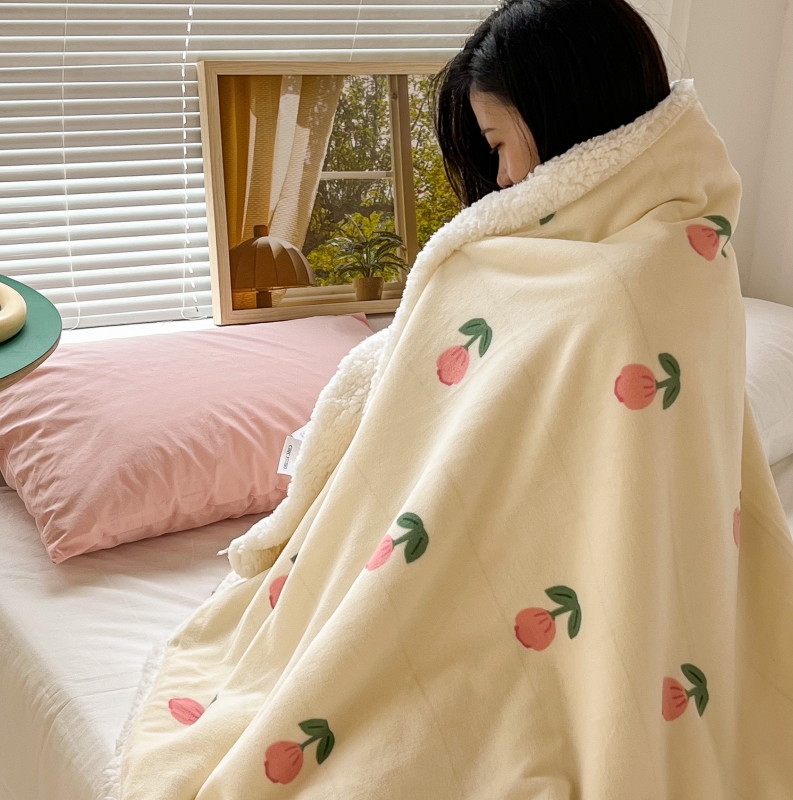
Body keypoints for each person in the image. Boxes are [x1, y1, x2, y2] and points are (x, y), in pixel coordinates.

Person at [115, 2, 793, 798]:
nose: (502, 180)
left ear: (566, 118)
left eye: (500, 144)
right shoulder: (691, 246)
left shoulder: (624, 283)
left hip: (587, 606)